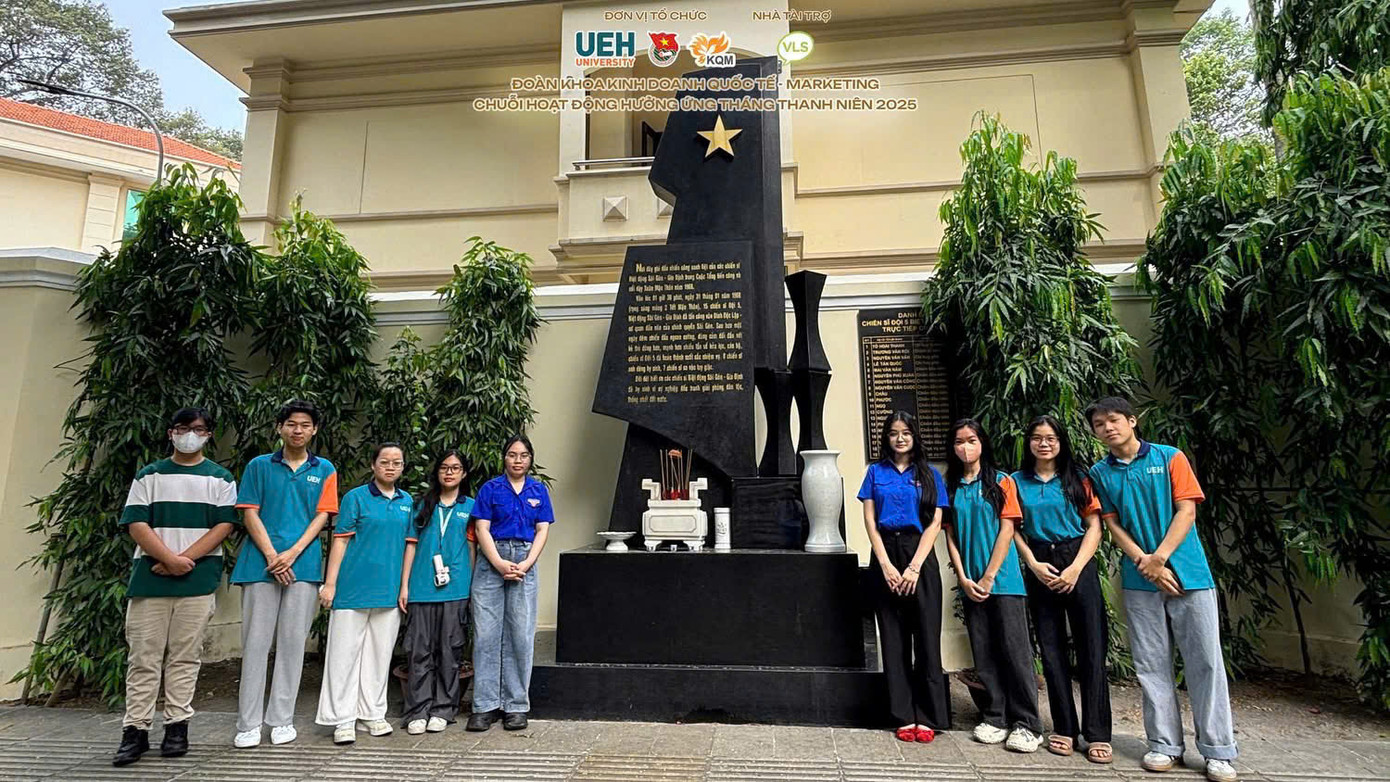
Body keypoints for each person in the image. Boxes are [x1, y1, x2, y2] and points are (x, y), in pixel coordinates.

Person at [1086, 397, 1238, 782]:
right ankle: (1164, 744)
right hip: (1140, 578)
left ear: (1132, 420)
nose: (1108, 428)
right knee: (1151, 663)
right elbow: (1112, 524)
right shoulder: (1099, 472)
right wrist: (1146, 562)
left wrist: (1162, 557)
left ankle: (1218, 750)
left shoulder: (1170, 457)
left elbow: (1187, 510)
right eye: (1099, 424)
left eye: (1114, 420)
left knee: (1205, 661)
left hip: (1189, 573)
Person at [113, 407, 237, 767]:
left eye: (198, 429)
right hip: (150, 578)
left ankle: (176, 727)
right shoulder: (150, 475)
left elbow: (224, 526)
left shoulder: (221, 478)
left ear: (209, 435)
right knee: (143, 658)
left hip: (197, 579)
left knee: (185, 657)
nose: (189, 435)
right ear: (170, 433)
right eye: (182, 428)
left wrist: (184, 561)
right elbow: (136, 523)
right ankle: (135, 730)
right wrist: (168, 559)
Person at [231, 400, 339, 749]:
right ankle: (248, 723)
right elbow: (249, 512)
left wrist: (292, 554)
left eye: (305, 424)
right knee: (255, 644)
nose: (298, 430)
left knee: (293, 645)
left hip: (303, 565)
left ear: (314, 430)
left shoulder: (325, 469)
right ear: (279, 427)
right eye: (291, 424)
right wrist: (272, 555)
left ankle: (281, 720)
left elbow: (323, 516)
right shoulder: (259, 466)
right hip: (259, 565)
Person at [1012, 415, 1113, 764]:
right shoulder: (1016, 481)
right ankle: (1065, 727)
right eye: (1037, 438)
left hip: (1077, 559)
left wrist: (1075, 568)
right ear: (1029, 442)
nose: (1044, 444)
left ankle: (1097, 732)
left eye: (1051, 438)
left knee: (1092, 646)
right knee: (1051, 649)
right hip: (1040, 562)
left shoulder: (1077, 478)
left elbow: (1094, 526)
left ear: (1061, 442)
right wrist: (1032, 564)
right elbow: (1013, 529)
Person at [942, 419, 1042, 753]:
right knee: (984, 653)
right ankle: (996, 716)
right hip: (970, 582)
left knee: (1015, 652)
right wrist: (964, 577)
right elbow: (951, 536)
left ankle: (1028, 723)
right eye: (959, 442)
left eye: (971, 440)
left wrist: (989, 576)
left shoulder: (1001, 482)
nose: (965, 447)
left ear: (982, 443)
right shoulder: (952, 486)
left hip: (1004, 581)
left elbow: (1007, 530)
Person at [856, 411, 951, 743]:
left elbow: (935, 524)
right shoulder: (875, 472)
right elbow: (870, 521)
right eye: (894, 433)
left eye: (906, 433)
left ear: (914, 437)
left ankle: (928, 716)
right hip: (885, 553)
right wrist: (884, 564)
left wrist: (913, 567)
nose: (900, 438)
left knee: (926, 637)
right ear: (886, 437)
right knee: (893, 639)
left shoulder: (929, 475)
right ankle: (902, 715)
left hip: (919, 555)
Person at [316, 443, 416, 744]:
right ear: (373, 465)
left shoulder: (407, 501)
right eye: (384, 462)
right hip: (352, 589)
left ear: (402, 468)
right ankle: (342, 719)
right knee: (343, 657)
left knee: (379, 656)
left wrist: (404, 586)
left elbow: (409, 546)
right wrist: (330, 584)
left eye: (397, 463)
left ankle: (372, 713)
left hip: (388, 591)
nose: (390, 467)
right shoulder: (356, 497)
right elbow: (341, 541)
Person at [467, 435, 555, 732]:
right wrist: (498, 562)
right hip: (492, 561)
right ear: (504, 458)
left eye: (523, 455)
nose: (518, 460)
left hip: (524, 560)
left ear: (530, 459)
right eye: (512, 454)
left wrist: (526, 564)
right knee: (486, 635)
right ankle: (485, 705)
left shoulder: (538, 490)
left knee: (521, 634)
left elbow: (542, 530)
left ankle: (516, 706)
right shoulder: (490, 488)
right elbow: (481, 528)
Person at [400, 450, 477, 734]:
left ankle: (444, 709)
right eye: (444, 467)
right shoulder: (422, 505)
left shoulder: (471, 507)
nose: (449, 472)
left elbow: (472, 549)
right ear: (437, 472)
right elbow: (410, 545)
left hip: (456, 589)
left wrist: (470, 588)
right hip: (421, 588)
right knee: (419, 651)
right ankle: (418, 710)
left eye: (455, 468)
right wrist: (405, 585)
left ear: (464, 473)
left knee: (450, 651)